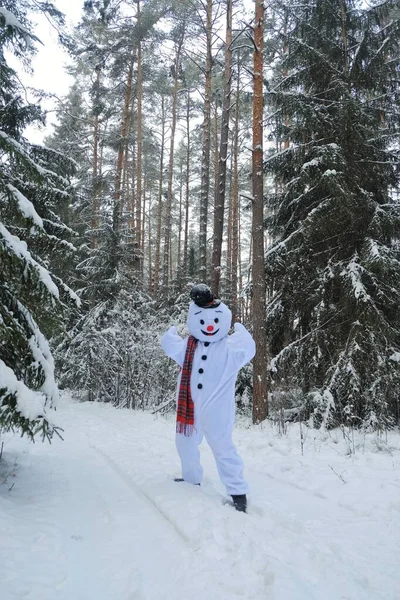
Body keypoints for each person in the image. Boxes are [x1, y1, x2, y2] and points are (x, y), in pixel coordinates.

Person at [161, 283, 255, 513]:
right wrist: (170, 334)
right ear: (194, 320)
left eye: (214, 321)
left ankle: (237, 491)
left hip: (217, 411)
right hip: (190, 408)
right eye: (202, 321)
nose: (210, 325)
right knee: (185, 443)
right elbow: (169, 345)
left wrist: (242, 333)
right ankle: (191, 478)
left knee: (222, 447)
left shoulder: (229, 349)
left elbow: (248, 348)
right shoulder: (188, 347)